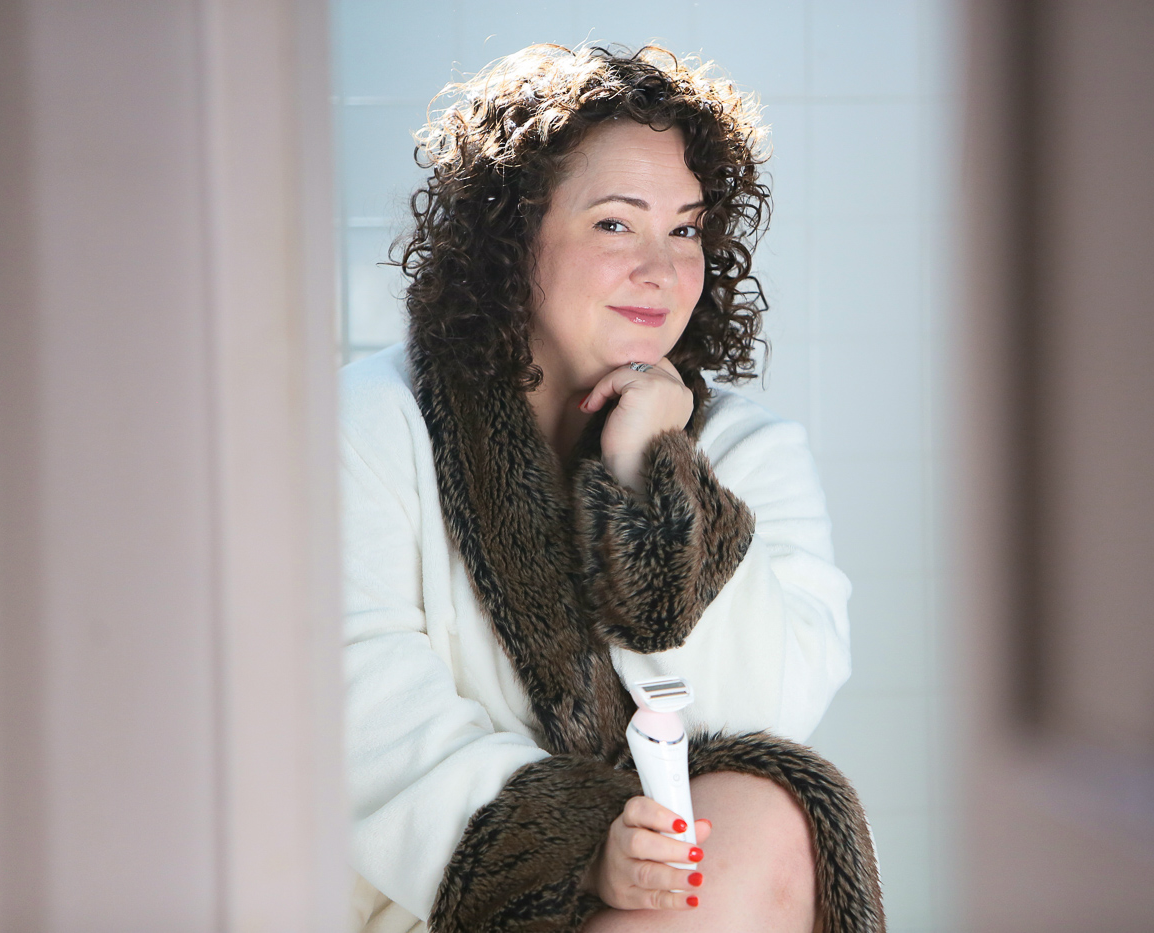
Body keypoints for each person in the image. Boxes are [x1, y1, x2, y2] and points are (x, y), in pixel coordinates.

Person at [340, 44, 884, 933]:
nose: (663, 269)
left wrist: (652, 471)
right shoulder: (371, 424)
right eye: (615, 224)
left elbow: (765, 715)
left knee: (767, 816)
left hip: (674, 900)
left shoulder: (745, 449)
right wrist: (580, 848)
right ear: (512, 241)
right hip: (437, 906)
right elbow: (359, 712)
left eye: (685, 228)